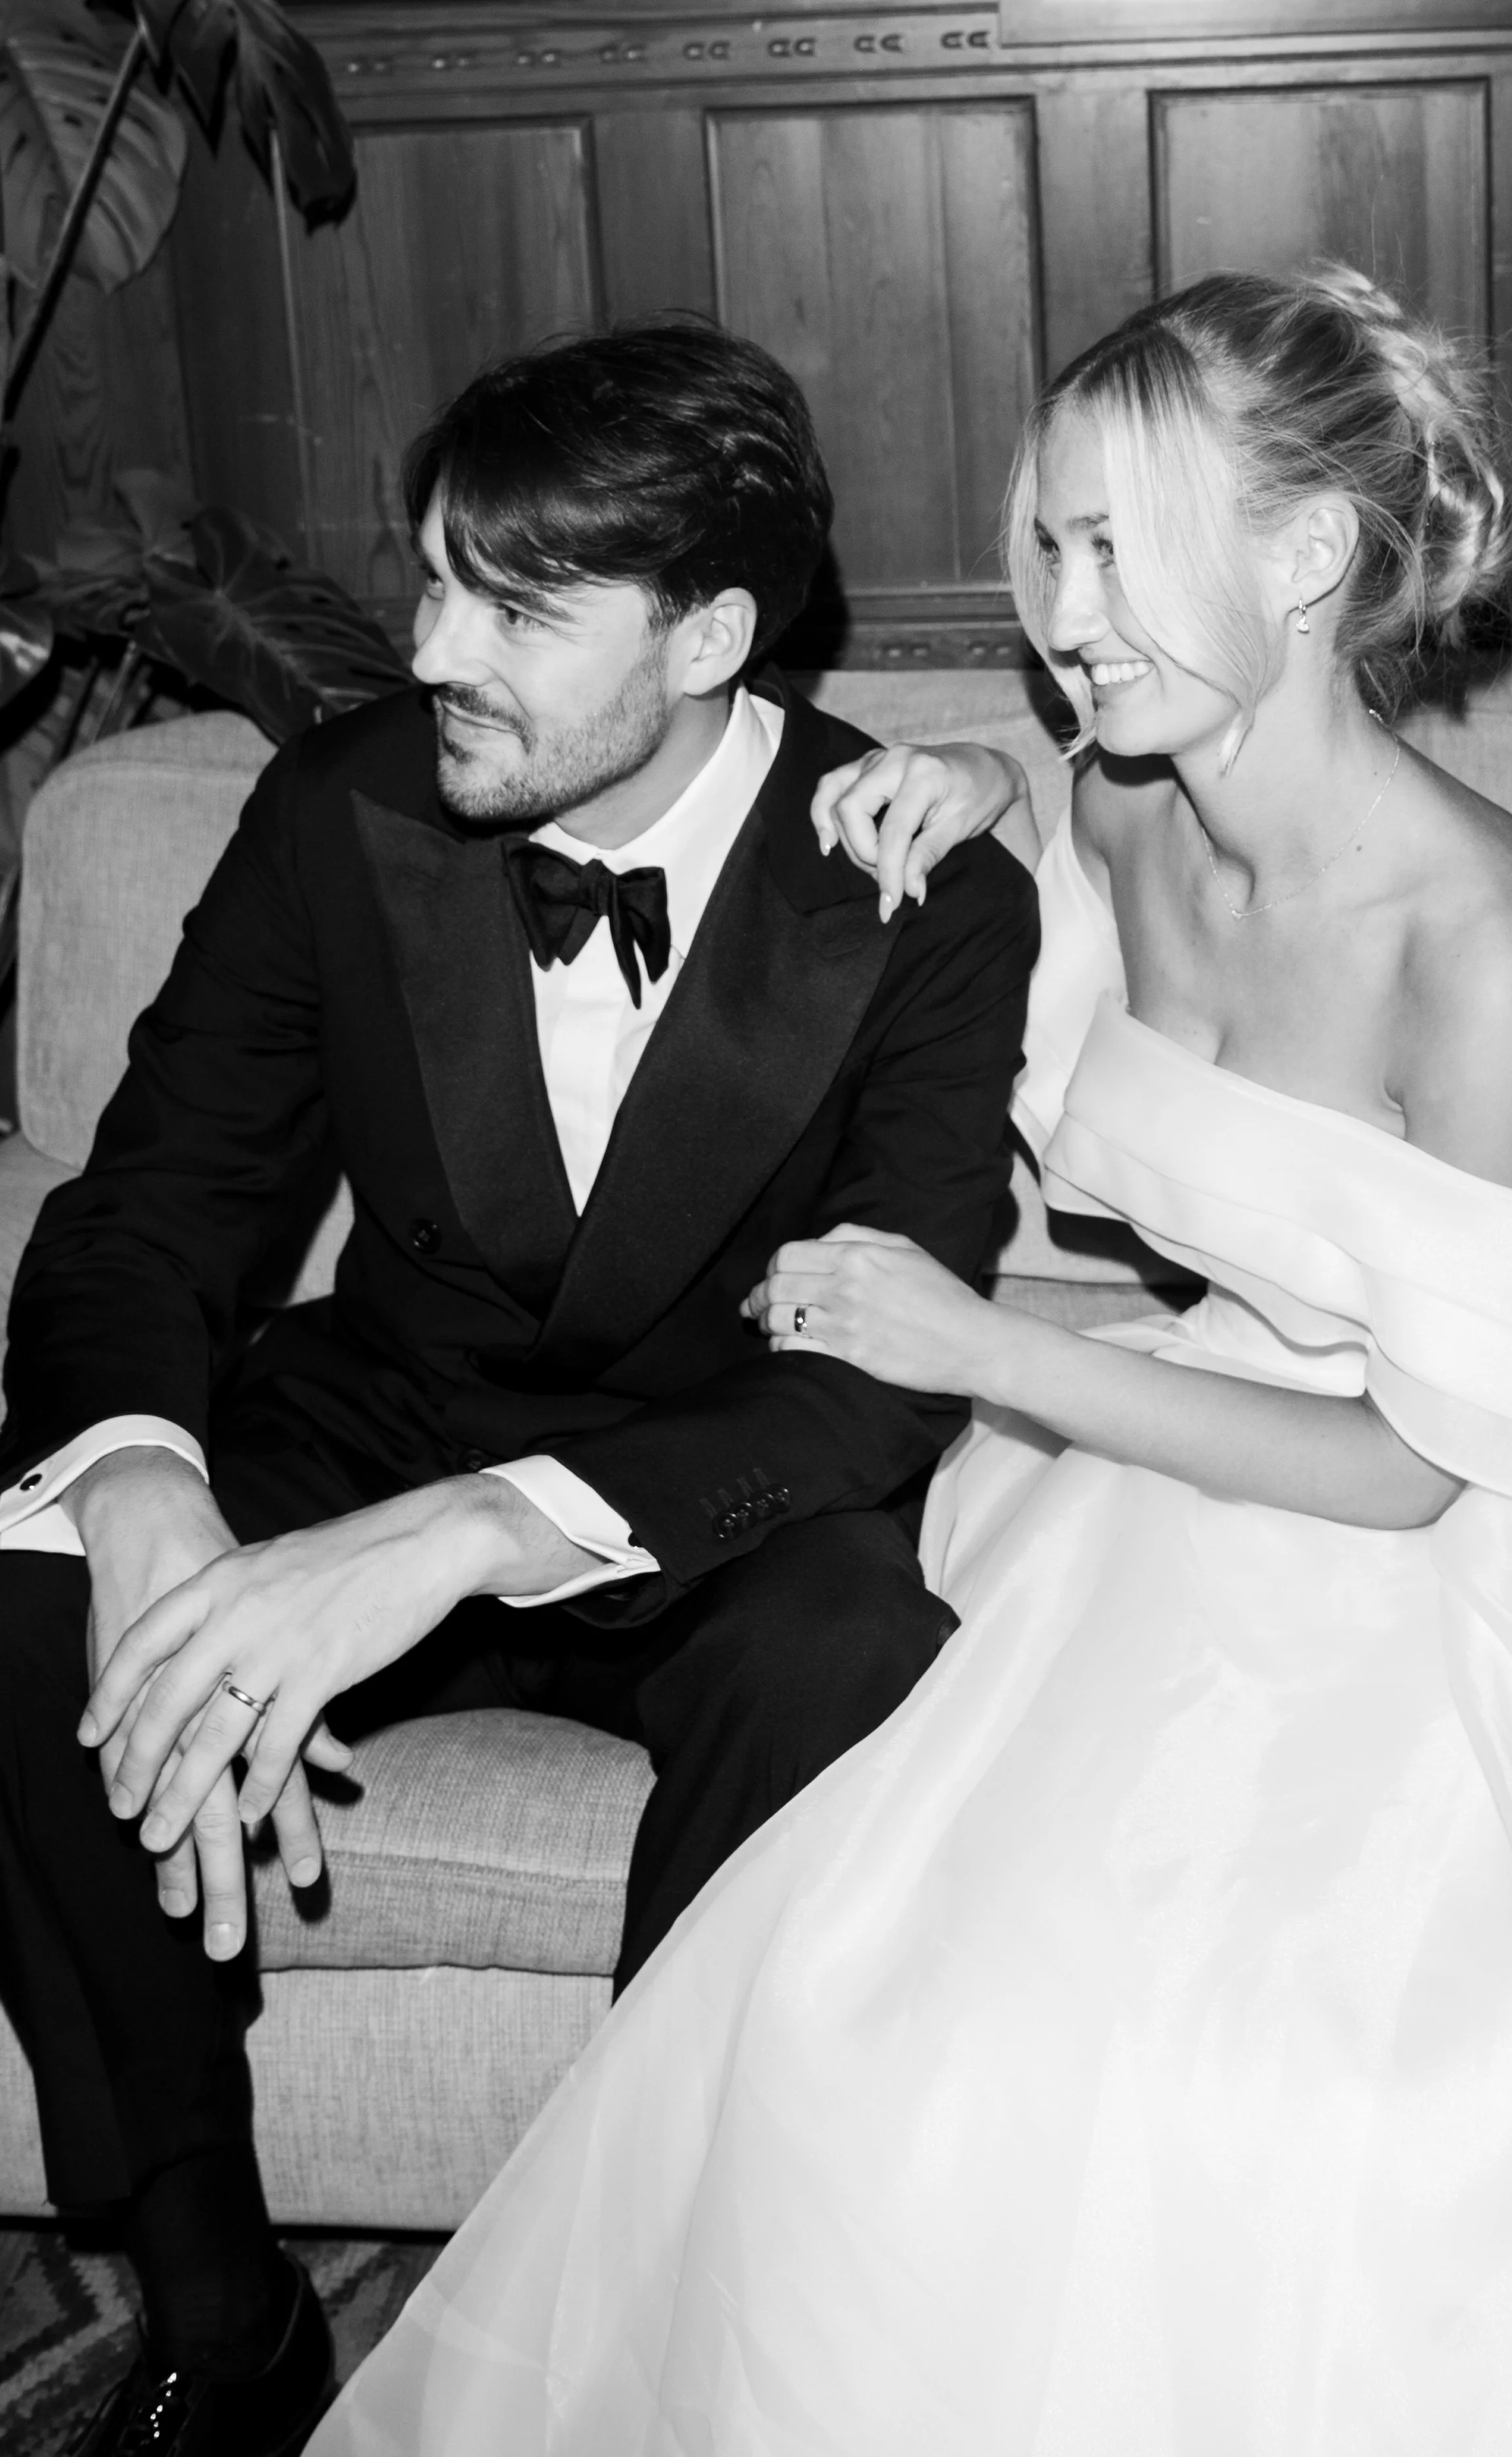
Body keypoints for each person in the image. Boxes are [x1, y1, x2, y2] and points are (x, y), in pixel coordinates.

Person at [297, 266, 1512, 2455]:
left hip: (1480, 1505)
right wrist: (979, 786)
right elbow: (1070, 835)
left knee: (1405, 2082)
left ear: (1303, 561)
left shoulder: (1470, 927)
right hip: (1191, 1432)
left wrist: (971, 1335)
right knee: (863, 2009)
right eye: (1047, 541)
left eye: (1112, 547)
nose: (1055, 605)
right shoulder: (1121, 798)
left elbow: (1414, 1466)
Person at [0, 319, 1039, 2456]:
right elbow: (146, 1211)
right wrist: (141, 1497)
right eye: (435, 575)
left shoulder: (923, 898)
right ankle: (218, 2292)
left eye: (514, 603)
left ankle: (647, 2291)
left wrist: (481, 1532)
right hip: (382, 1397)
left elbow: (875, 1384)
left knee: (859, 1638)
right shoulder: (343, 810)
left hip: (707, 1488)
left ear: (706, 634)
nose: (432, 641)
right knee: (20, 1581)